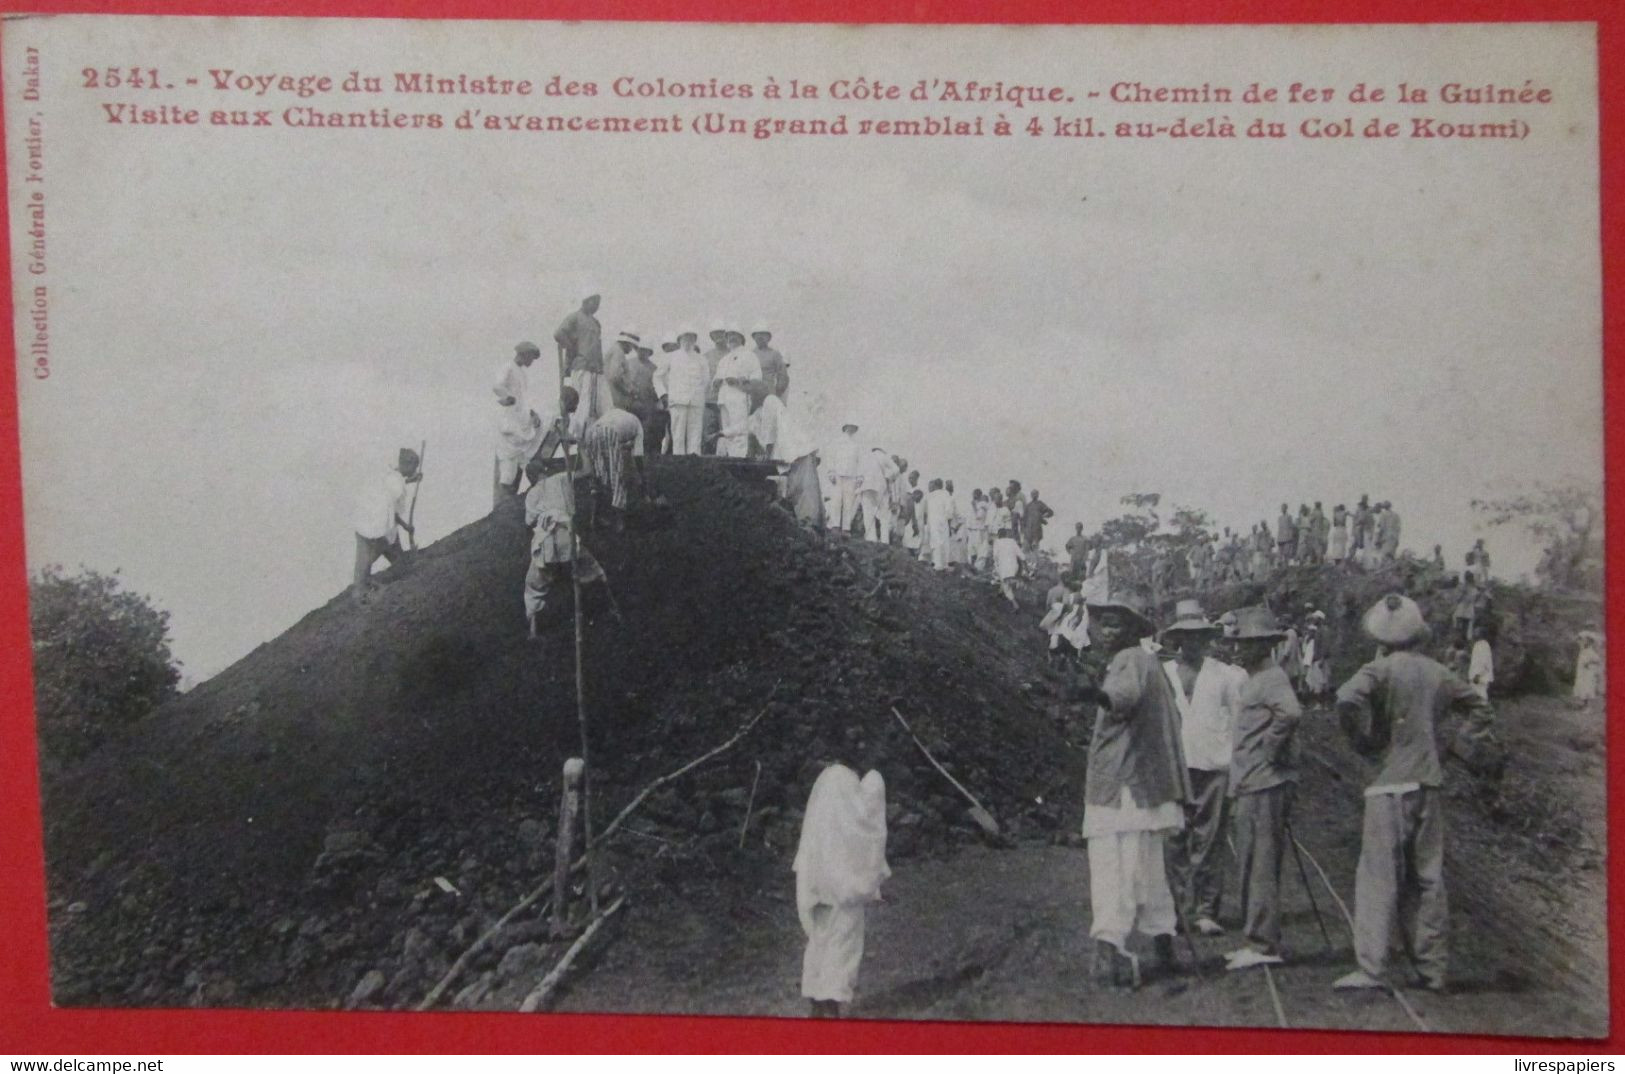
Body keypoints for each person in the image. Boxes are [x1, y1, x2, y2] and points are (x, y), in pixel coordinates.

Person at [1333, 593, 1497, 993]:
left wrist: (1364, 739)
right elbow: (1481, 709)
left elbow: (1344, 698)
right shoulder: (1439, 672)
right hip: (1429, 781)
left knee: (1377, 877)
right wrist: (1456, 745)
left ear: (1382, 637)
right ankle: (1432, 968)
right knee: (1428, 878)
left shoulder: (1380, 669)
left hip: (1389, 783)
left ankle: (1371, 968)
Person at [1077, 589, 1190, 988]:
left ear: (1130, 630)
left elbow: (1123, 698)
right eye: (1104, 622)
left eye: (1116, 624)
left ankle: (1108, 955)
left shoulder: (1129, 661)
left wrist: (1096, 694)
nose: (1107, 631)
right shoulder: (1148, 662)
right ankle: (1164, 948)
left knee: (1112, 869)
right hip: (1143, 783)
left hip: (1122, 785)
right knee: (1148, 870)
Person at [1159, 601, 1242, 937]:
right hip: (1174, 767)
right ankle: (1178, 909)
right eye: (1185, 636)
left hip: (1214, 766)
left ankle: (1206, 910)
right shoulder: (1163, 675)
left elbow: (1238, 726)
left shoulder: (1227, 675)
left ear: (1207, 638)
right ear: (1177, 638)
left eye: (1198, 636)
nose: (1192, 642)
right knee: (1174, 838)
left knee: (1209, 840)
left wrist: (1236, 771)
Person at [1225, 605, 1301, 970]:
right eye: (1238, 642)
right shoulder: (1256, 677)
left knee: (1261, 862)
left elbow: (1291, 713)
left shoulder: (1272, 678)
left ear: (1266, 645)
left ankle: (1263, 944)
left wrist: (1271, 748)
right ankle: (1256, 938)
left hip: (1264, 782)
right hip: (1253, 780)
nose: (1238, 648)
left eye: (1248, 643)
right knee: (1252, 859)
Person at [794, 763, 889, 1019]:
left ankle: (816, 998)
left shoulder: (824, 804)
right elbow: (867, 823)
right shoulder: (848, 809)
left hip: (819, 887)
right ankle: (831, 1004)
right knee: (842, 945)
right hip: (842, 888)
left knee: (819, 941)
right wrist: (875, 781)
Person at [521, 390, 606, 638]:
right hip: (567, 536)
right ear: (544, 471)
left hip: (543, 542)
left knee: (534, 587)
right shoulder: (561, 479)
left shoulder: (530, 495)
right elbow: (588, 471)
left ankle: (534, 631)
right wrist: (580, 446)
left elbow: (529, 523)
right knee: (592, 570)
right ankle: (609, 609)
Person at [352, 448, 421, 604]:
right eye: (414, 467)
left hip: (368, 522)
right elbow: (392, 509)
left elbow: (396, 486)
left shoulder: (391, 476)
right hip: (377, 528)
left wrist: (411, 479)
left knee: (370, 560)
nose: (414, 470)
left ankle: (364, 587)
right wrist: (405, 526)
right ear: (407, 465)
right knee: (366, 561)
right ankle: (361, 593)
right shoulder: (397, 486)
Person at [492, 341, 548, 507]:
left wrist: (532, 413)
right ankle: (502, 504)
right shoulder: (508, 367)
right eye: (530, 357)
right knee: (507, 467)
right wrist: (506, 396)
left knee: (523, 458)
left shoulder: (522, 375)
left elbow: (524, 400)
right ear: (523, 354)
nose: (531, 362)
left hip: (522, 421)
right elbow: (497, 385)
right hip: (510, 421)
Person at [581, 406, 646, 531]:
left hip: (592, 431)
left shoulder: (617, 414)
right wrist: (642, 480)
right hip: (609, 432)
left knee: (598, 475)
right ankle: (619, 521)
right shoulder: (638, 425)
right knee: (617, 476)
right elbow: (637, 457)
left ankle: (594, 517)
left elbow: (618, 444)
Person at [713, 332, 763, 458]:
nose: (731, 338)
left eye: (735, 335)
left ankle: (739, 459)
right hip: (724, 398)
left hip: (739, 397)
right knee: (727, 432)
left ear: (742, 338)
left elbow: (757, 380)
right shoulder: (724, 359)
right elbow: (715, 380)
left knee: (739, 432)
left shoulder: (750, 356)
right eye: (729, 336)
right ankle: (731, 459)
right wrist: (716, 382)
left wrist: (738, 382)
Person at [663, 327, 710, 456]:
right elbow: (658, 376)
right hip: (678, 402)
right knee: (678, 437)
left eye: (691, 337)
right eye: (685, 337)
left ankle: (694, 469)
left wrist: (697, 394)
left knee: (695, 438)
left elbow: (706, 380)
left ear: (695, 340)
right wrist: (663, 394)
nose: (688, 340)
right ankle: (680, 469)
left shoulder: (701, 359)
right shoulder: (671, 357)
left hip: (696, 403)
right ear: (679, 339)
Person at [824, 419, 864, 535]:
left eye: (854, 427)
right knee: (836, 500)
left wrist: (860, 477)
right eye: (850, 426)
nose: (852, 429)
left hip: (851, 475)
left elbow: (859, 461)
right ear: (845, 427)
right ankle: (835, 525)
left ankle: (846, 528)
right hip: (837, 474)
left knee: (849, 502)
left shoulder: (856, 445)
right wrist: (831, 472)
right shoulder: (836, 442)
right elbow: (831, 457)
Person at [699, 322, 730, 456]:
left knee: (728, 435)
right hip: (709, 402)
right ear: (711, 336)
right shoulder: (705, 356)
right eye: (715, 334)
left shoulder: (733, 354)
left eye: (721, 333)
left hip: (727, 403)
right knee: (707, 436)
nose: (718, 336)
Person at [857, 448, 898, 544]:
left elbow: (859, 474)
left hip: (866, 486)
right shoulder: (884, 456)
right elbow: (896, 469)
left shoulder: (866, 457)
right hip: (881, 486)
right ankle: (885, 541)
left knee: (868, 514)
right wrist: (888, 477)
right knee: (884, 516)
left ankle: (871, 539)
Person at [750, 323, 790, 400]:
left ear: (768, 337)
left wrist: (776, 393)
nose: (760, 337)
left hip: (769, 394)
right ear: (754, 337)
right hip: (753, 395)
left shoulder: (775, 354)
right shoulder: (749, 355)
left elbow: (783, 376)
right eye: (757, 335)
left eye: (763, 334)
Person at [924, 479, 956, 571]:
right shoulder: (946, 494)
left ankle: (937, 563)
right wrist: (948, 520)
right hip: (943, 520)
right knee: (944, 542)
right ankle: (944, 564)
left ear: (934, 485)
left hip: (932, 521)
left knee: (935, 542)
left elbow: (926, 511)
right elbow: (949, 511)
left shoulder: (929, 496)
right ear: (942, 485)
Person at [992, 527, 1025, 609]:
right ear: (1006, 534)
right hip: (1014, 567)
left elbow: (995, 556)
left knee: (1006, 588)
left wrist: (996, 564)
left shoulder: (997, 542)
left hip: (1004, 569)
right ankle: (1000, 592)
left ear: (998, 535)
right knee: (1003, 579)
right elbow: (1022, 556)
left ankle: (1015, 604)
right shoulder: (1012, 541)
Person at [1573, 631, 1604, 704]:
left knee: (1586, 688)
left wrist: (1588, 663)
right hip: (1582, 672)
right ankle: (1584, 704)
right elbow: (1577, 639)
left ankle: (1587, 706)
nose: (1583, 642)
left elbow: (1598, 660)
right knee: (1582, 687)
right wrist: (1582, 636)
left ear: (1590, 643)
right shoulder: (1582, 650)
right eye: (1583, 641)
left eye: (1586, 641)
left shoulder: (1590, 651)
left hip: (1587, 673)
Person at [1468, 624, 1494, 700]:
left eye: (1476, 632)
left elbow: (1483, 662)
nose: (1474, 633)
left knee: (1480, 696)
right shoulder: (1479, 644)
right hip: (1476, 677)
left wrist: (1477, 675)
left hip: (1480, 678)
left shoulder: (1482, 645)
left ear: (1481, 634)